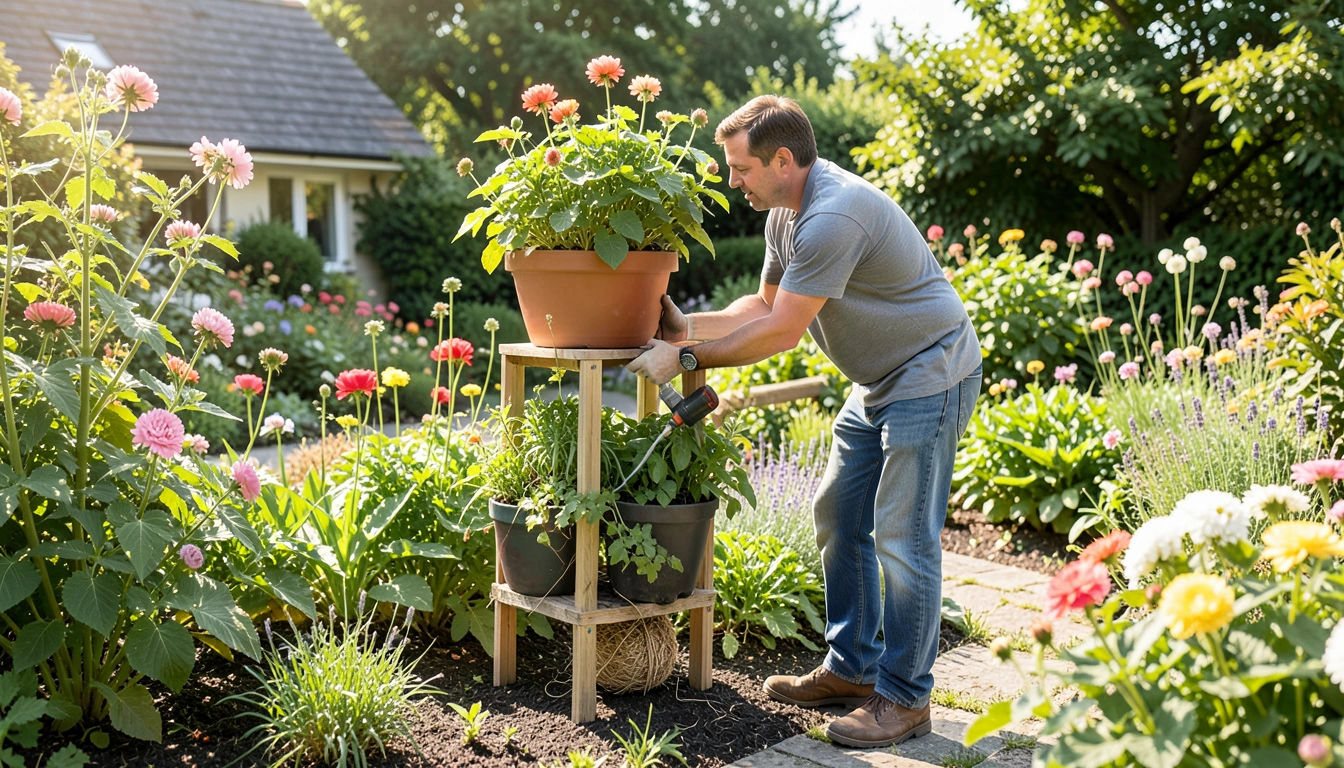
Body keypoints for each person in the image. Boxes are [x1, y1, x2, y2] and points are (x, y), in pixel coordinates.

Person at [625, 95, 982, 748]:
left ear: (782, 160)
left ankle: (905, 700)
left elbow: (782, 333)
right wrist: (690, 327)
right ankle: (852, 669)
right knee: (838, 514)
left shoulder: (831, 217)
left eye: (740, 169)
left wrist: (684, 357)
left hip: (930, 373)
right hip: (877, 381)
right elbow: (763, 304)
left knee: (903, 536)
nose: (733, 181)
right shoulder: (786, 215)